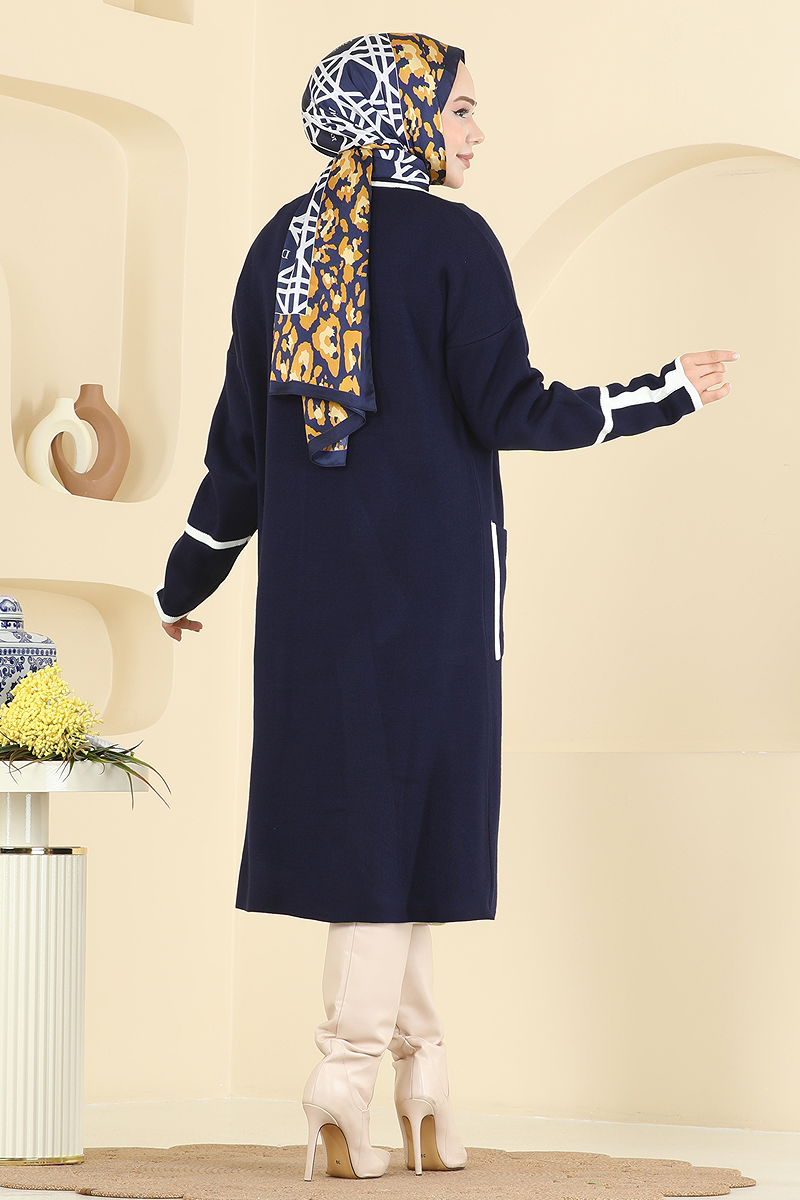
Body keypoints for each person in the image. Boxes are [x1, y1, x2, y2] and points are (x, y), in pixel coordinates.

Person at [153, 31, 738, 1182]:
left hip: (312, 606)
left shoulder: (282, 244)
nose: (475, 131)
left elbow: (241, 454)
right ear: (402, 116)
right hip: (429, 601)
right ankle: (341, 1076)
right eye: (459, 108)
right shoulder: (452, 242)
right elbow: (514, 408)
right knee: (392, 838)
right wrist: (659, 393)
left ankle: (423, 1080)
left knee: (381, 833)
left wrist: (186, 579)